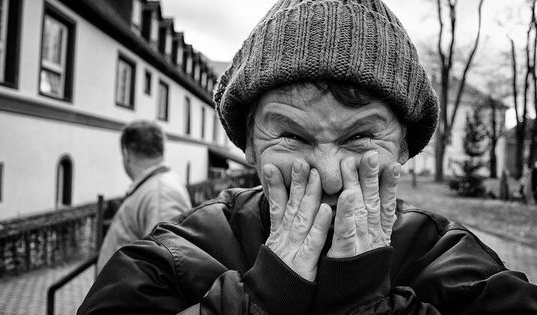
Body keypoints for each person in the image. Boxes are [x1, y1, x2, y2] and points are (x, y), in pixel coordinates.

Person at [79, 0, 537, 313]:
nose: (329, 175)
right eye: (292, 136)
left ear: (403, 149)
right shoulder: (173, 258)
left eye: (360, 136)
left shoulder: (455, 267)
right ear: (251, 146)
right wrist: (259, 302)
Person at [96, 120, 191, 271]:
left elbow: (166, 268)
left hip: (126, 293)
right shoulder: (156, 187)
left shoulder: (160, 195)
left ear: (126, 153)